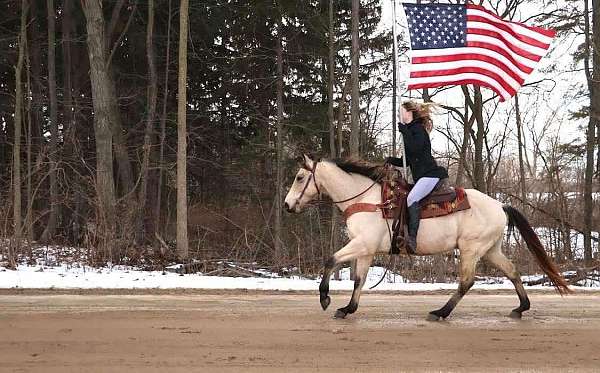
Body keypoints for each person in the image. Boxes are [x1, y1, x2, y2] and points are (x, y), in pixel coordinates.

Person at [386, 101, 448, 254]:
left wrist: (405, 131)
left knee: (411, 198)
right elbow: (407, 161)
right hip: (422, 177)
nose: (398, 115)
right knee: (407, 196)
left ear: (409, 113)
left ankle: (412, 238)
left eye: (400, 112)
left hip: (431, 175)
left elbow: (416, 148)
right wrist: (391, 160)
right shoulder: (410, 130)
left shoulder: (418, 129)